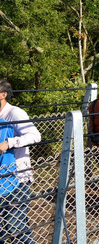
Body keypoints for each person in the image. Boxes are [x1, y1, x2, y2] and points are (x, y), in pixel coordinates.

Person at [0, 79, 41, 243]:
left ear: (3, 95)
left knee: (15, 226)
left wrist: (9, 143)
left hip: (18, 179)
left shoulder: (14, 113)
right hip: (2, 180)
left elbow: (35, 136)